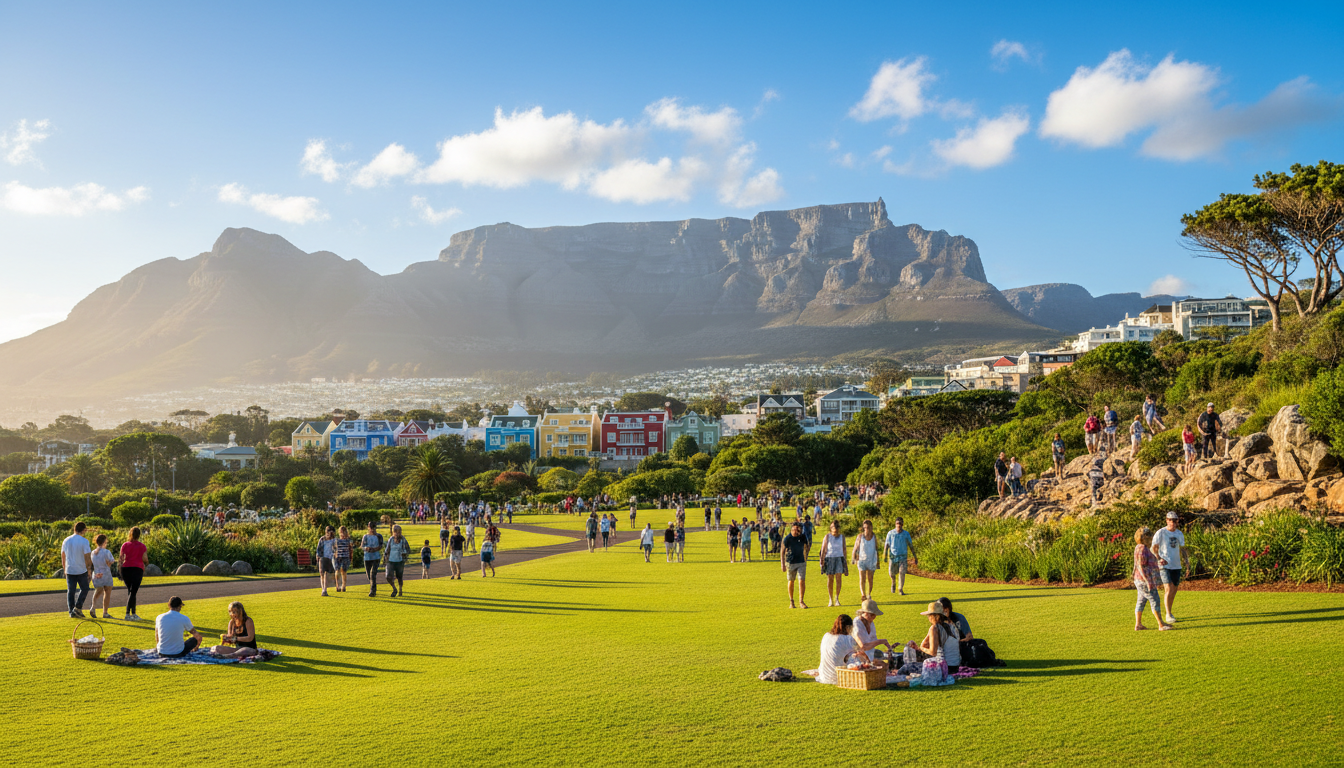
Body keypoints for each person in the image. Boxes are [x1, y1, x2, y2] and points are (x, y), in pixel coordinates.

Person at [1133, 527, 1173, 631]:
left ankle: (1138, 624)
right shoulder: (1142, 548)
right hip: (1145, 581)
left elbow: (1139, 564)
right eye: (1150, 535)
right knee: (1155, 599)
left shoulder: (1139, 547)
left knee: (1141, 601)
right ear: (1144, 537)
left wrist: (1159, 561)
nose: (1152, 538)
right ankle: (1161, 624)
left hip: (1139, 580)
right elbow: (1141, 566)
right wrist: (1148, 582)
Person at [1151, 512, 1188, 624]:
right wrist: (1159, 558)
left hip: (1176, 565)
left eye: (1174, 520)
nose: (1172, 522)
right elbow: (1153, 548)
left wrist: (1187, 563)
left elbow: (1183, 549)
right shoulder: (1161, 532)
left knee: (1174, 589)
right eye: (1170, 520)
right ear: (1167, 520)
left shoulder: (1179, 533)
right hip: (1164, 565)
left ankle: (1170, 612)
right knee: (1168, 588)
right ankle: (1168, 614)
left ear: (1177, 521)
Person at [817, 614, 861, 685]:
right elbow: (859, 650)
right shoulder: (847, 638)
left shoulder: (826, 635)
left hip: (824, 675)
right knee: (856, 656)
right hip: (838, 675)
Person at [61, 521, 93, 619]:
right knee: (85, 588)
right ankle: (78, 607)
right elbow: (87, 557)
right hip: (81, 569)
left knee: (71, 591)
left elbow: (63, 555)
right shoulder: (84, 541)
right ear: (83, 530)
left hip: (70, 569)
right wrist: (89, 569)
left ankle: (72, 611)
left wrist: (64, 567)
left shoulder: (66, 540)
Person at [918, 601, 957, 675]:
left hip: (943, 666)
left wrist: (921, 648)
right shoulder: (949, 625)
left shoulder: (935, 628)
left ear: (933, 616)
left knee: (906, 667)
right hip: (955, 666)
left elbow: (933, 652)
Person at [118, 526, 147, 621]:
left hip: (126, 568)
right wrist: (147, 563)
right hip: (137, 568)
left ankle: (133, 613)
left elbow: (121, 558)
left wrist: (119, 570)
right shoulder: (142, 546)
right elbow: (145, 558)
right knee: (133, 591)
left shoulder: (125, 545)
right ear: (139, 535)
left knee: (131, 591)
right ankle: (128, 613)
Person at [818, 521, 847, 608]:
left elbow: (844, 549)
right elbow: (823, 549)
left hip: (839, 558)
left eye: (837, 528)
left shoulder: (842, 537)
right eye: (834, 528)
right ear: (831, 529)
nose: (836, 530)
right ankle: (830, 599)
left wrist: (845, 562)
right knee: (830, 579)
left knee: (838, 578)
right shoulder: (827, 537)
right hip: (829, 558)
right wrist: (822, 560)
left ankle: (837, 598)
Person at [781, 521, 808, 609]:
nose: (796, 531)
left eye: (798, 529)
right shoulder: (787, 538)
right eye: (795, 529)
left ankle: (801, 601)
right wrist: (783, 564)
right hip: (790, 562)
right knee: (791, 581)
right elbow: (782, 551)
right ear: (792, 529)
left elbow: (806, 546)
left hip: (801, 561)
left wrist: (806, 557)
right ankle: (791, 601)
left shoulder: (802, 537)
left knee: (801, 580)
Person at [884, 517, 915, 595]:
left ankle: (900, 589)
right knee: (891, 573)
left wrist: (915, 556)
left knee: (902, 572)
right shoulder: (890, 533)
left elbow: (910, 545)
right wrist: (885, 555)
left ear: (902, 524)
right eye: (897, 523)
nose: (899, 525)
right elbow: (887, 545)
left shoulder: (906, 534)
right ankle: (893, 582)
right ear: (895, 524)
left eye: (900, 523)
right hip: (893, 556)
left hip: (903, 556)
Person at [88, 534, 116, 619]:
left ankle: (93, 607)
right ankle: (105, 612)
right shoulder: (106, 552)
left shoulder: (93, 552)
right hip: (106, 573)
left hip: (96, 574)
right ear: (104, 542)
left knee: (98, 591)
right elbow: (111, 561)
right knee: (107, 592)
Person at [850, 519, 878, 601]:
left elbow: (876, 549)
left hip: (871, 560)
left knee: (870, 578)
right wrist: (853, 557)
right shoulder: (860, 537)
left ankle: (869, 594)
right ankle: (863, 594)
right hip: (861, 560)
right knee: (862, 578)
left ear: (871, 527)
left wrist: (878, 561)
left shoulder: (874, 537)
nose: (867, 529)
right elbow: (855, 548)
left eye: (868, 527)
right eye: (865, 527)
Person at [384, 524, 410, 597]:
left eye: (399, 532)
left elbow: (408, 549)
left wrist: (405, 554)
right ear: (393, 532)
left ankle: (400, 589)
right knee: (388, 576)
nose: (398, 534)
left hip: (399, 561)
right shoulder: (391, 539)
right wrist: (385, 559)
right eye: (396, 532)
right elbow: (387, 550)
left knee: (399, 577)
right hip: (391, 560)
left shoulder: (403, 540)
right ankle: (394, 588)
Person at [361, 522, 383, 597]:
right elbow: (362, 546)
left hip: (376, 557)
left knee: (373, 573)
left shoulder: (379, 536)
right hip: (367, 557)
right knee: (369, 575)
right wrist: (366, 548)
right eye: (371, 528)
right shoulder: (365, 537)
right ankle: (373, 587)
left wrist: (375, 549)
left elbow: (380, 545)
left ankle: (373, 591)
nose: (372, 530)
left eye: (373, 528)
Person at [316, 526, 337, 597]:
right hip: (323, 557)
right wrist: (318, 556)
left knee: (327, 574)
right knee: (322, 573)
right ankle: (324, 590)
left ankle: (326, 588)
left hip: (331, 558)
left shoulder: (334, 540)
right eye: (329, 531)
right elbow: (318, 549)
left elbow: (336, 549)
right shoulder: (322, 539)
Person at [334, 526, 353, 593]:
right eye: (341, 532)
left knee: (344, 571)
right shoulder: (337, 540)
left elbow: (351, 548)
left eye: (343, 532)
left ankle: (343, 586)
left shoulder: (348, 540)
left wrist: (351, 557)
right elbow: (334, 548)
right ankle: (337, 586)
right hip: (338, 557)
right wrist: (335, 554)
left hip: (345, 556)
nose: (342, 533)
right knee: (337, 570)